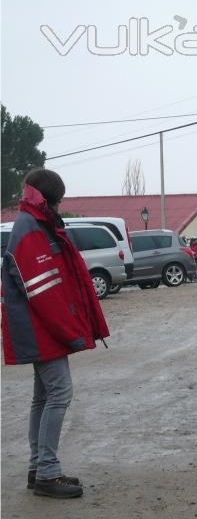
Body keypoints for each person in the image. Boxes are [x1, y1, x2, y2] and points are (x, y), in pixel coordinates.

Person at [1, 168, 110, 499]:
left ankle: (38, 468)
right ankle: (47, 472)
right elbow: (44, 294)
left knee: (44, 396)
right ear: (48, 200)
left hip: (35, 329)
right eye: (59, 201)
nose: (61, 208)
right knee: (59, 393)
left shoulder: (32, 224)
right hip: (41, 330)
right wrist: (71, 332)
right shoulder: (32, 230)